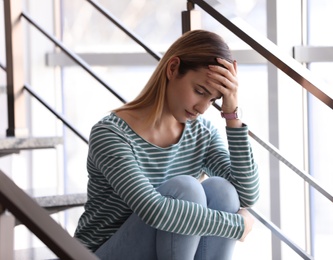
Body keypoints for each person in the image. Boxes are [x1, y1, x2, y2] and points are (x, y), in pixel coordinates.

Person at [74, 29, 260, 260]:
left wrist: (231, 114)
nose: (202, 108)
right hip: (98, 254)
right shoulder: (111, 134)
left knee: (223, 190)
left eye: (212, 100)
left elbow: (246, 195)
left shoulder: (200, 134)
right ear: (172, 69)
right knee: (186, 189)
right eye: (199, 91)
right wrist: (236, 226)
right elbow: (154, 211)